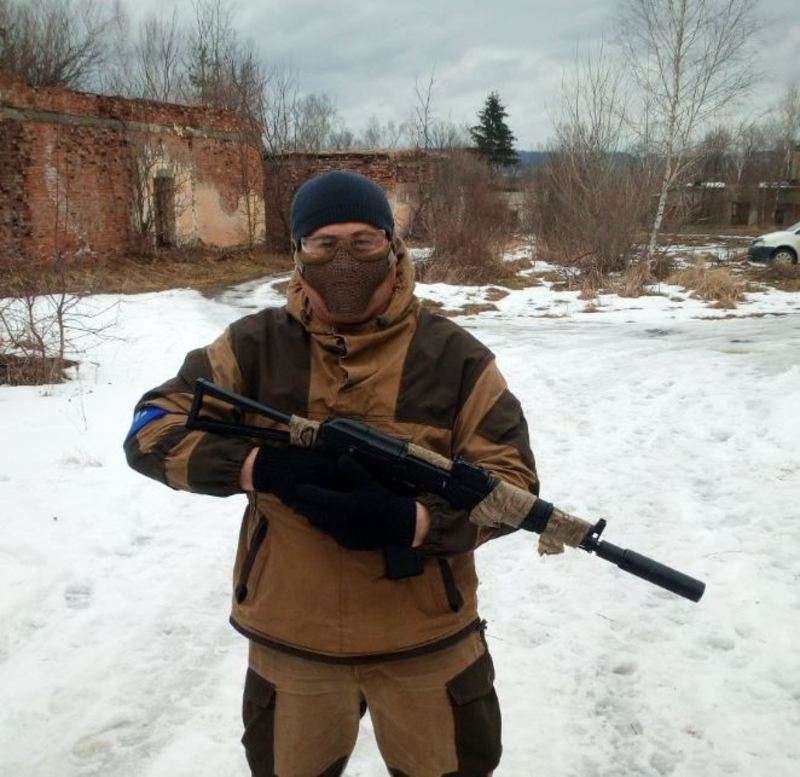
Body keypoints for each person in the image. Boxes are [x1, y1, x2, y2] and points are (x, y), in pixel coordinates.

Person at [124, 169, 539, 777]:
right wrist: (259, 466)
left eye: (363, 241)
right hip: (295, 645)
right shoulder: (253, 347)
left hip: (427, 643)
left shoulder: (454, 357)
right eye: (323, 243)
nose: (344, 259)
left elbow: (514, 484)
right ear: (298, 252)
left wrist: (417, 521)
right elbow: (150, 428)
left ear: (392, 246)